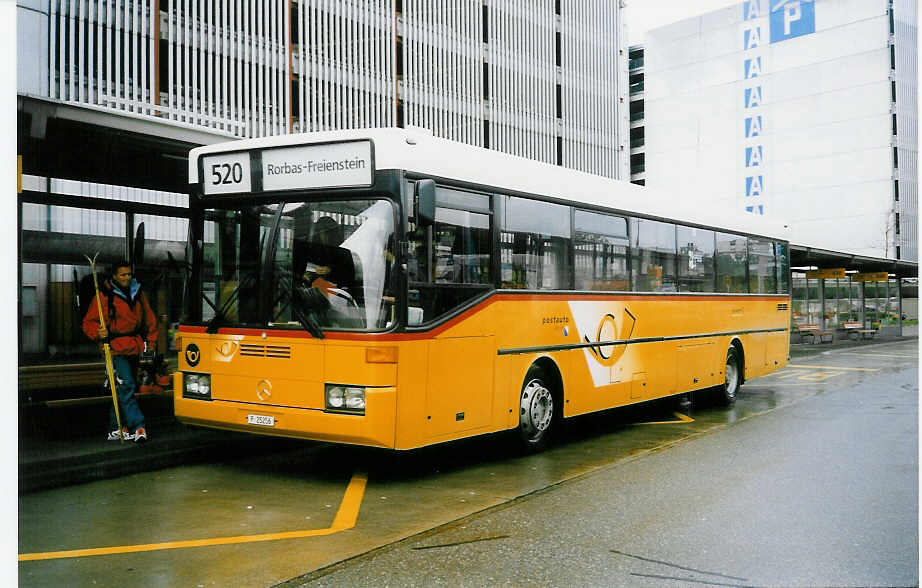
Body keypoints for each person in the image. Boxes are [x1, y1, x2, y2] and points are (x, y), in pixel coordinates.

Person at [82, 260, 158, 443]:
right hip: (114, 349)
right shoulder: (104, 296)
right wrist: (98, 333)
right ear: (114, 276)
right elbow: (88, 323)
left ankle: (115, 427)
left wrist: (151, 342)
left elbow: (150, 320)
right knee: (127, 387)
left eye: (129, 274)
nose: (127, 278)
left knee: (122, 388)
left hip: (135, 346)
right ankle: (138, 425)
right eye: (122, 274)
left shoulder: (137, 294)